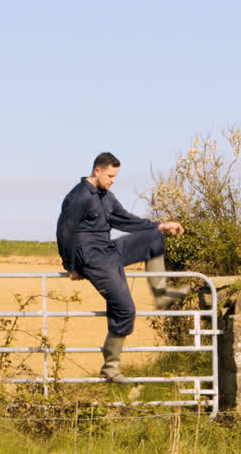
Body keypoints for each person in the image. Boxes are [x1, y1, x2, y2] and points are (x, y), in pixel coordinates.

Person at [56, 152, 187, 383]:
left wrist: (159, 226)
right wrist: (71, 266)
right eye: (110, 175)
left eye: (115, 176)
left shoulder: (105, 195)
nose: (113, 180)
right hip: (92, 258)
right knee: (126, 309)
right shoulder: (79, 197)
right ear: (97, 171)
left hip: (109, 250)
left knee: (153, 238)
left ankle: (161, 293)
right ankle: (111, 367)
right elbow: (64, 231)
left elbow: (124, 219)